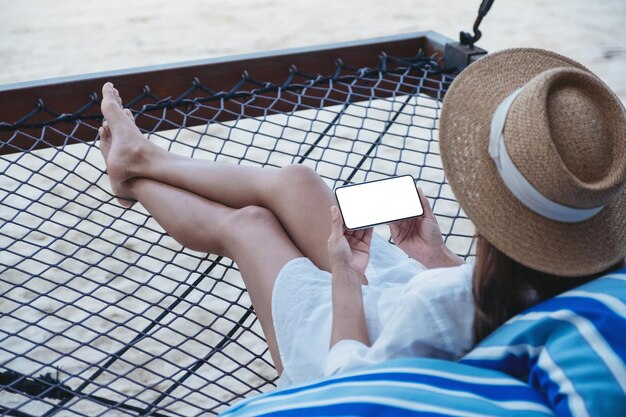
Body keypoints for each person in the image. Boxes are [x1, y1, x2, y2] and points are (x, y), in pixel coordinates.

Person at [97, 47, 626, 388]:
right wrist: (435, 255)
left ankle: (132, 178)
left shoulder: (436, 304)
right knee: (301, 183)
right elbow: (495, 298)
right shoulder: (583, 283)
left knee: (252, 225)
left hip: (339, 342)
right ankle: (144, 158)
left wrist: (345, 278)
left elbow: (345, 382)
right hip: (402, 297)